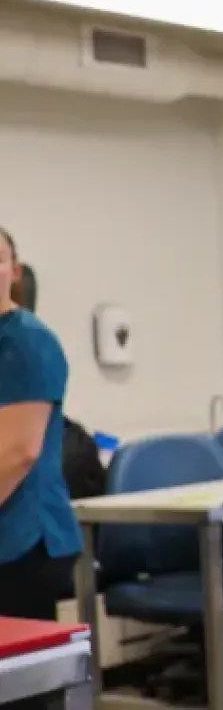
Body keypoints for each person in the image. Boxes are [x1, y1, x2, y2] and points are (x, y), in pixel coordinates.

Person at [0, 226, 79, 705]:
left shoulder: (27, 343)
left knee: (22, 692)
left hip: (23, 541)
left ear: (14, 270)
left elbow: (16, 454)